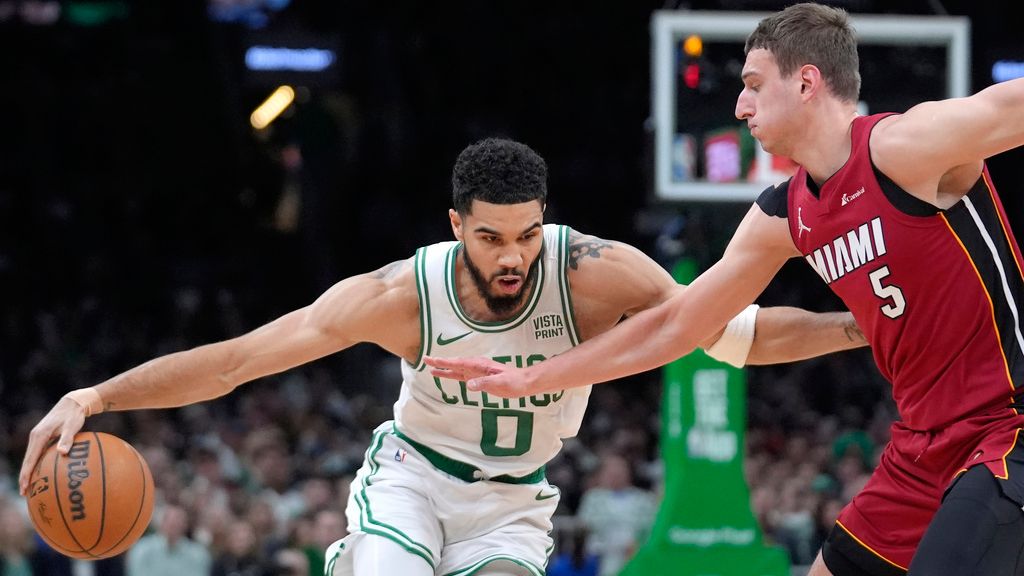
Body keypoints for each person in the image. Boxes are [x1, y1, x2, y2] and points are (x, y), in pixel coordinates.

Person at [18, 138, 865, 576]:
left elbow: (743, 337)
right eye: (491, 236)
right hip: (413, 478)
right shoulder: (398, 296)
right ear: (455, 224)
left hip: (513, 503)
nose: (512, 257)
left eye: (528, 235)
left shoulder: (597, 275)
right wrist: (94, 396)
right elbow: (240, 361)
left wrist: (863, 327)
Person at [425, 5, 1024, 576]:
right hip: (920, 447)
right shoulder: (783, 215)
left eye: (754, 85)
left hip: (1008, 425)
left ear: (807, 83)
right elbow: (678, 325)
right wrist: (534, 375)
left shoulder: (904, 148)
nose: (739, 105)